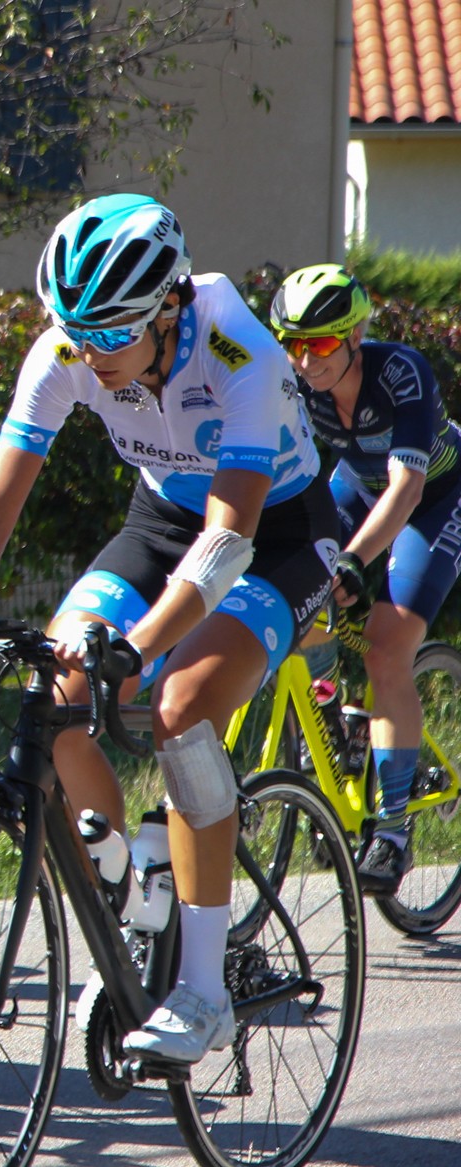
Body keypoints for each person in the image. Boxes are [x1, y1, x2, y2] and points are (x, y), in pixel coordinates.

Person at [0, 194, 335, 1063]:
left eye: (107, 337)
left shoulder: (237, 352)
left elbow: (225, 545)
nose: (86, 353)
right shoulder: (72, 341)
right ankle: (132, 900)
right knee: (53, 692)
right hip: (157, 521)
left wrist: (137, 650)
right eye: (74, 333)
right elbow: (0, 494)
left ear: (168, 309)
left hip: (274, 536)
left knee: (181, 705)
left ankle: (205, 989)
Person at [271, 262, 461, 890]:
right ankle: (332, 733)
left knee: (385, 649)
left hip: (435, 495)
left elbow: (406, 489)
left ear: (354, 337)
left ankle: (393, 829)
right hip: (357, 484)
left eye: (320, 343)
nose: (306, 359)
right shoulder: (296, 384)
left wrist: (356, 558)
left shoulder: (400, 373)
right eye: (293, 344)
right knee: (294, 598)